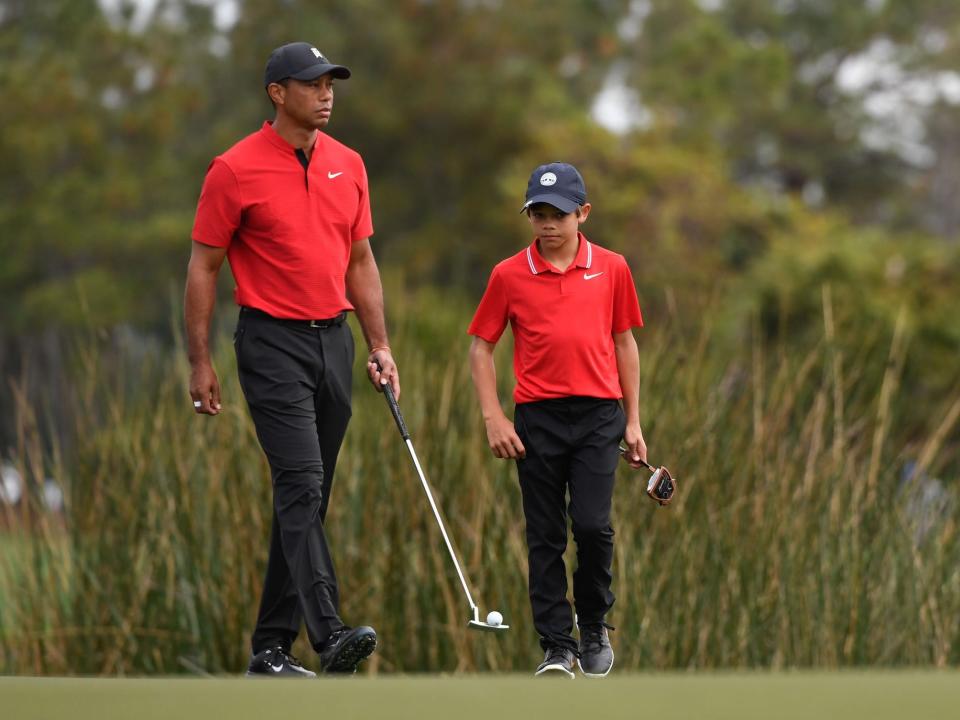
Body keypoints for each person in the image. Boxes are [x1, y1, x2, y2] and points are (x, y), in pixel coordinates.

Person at [184, 42, 399, 677]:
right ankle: (329, 634)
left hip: (335, 339)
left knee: (305, 495)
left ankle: (270, 649)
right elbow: (203, 267)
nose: (326, 93)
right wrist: (199, 360)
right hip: (271, 342)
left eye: (331, 83)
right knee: (301, 484)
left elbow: (360, 262)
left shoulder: (349, 164)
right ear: (278, 93)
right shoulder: (234, 169)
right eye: (312, 84)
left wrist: (380, 344)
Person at [467, 162, 647, 679]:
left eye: (558, 214)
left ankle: (593, 624)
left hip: (598, 415)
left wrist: (633, 421)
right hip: (536, 420)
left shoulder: (612, 267)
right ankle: (556, 646)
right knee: (545, 534)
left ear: (582, 213)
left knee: (592, 526)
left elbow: (625, 343)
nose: (547, 224)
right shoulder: (508, 274)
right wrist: (494, 417)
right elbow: (482, 348)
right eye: (538, 214)